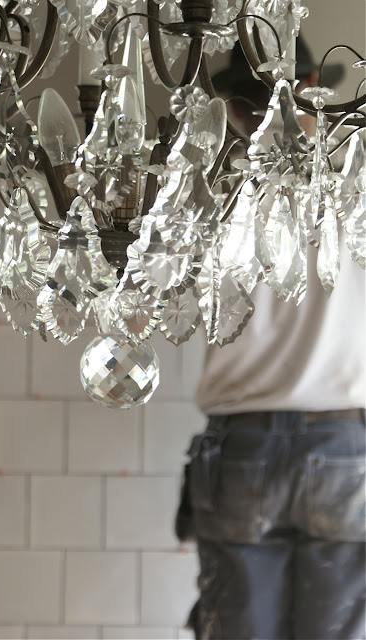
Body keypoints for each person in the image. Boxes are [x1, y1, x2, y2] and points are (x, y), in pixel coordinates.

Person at [175, 37, 366, 640]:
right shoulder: (355, 188)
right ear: (314, 90)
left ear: (234, 110)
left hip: (242, 443)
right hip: (342, 443)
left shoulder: (207, 197)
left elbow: (152, 312)